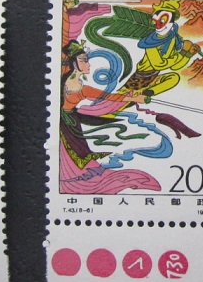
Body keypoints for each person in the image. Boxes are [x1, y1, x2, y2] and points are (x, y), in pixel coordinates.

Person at [58, 40, 163, 194]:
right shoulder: (65, 81)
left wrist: (134, 97)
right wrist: (134, 97)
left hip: (71, 120)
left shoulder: (82, 87)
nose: (88, 64)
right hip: (65, 121)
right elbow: (110, 97)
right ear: (74, 63)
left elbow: (110, 97)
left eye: (87, 60)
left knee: (78, 150)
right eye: (84, 61)